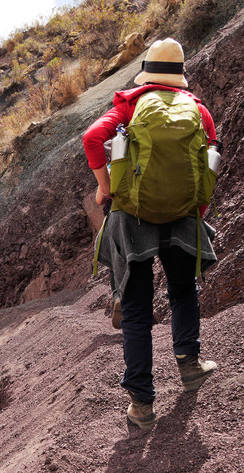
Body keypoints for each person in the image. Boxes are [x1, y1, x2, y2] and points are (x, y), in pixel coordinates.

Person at [83, 38, 218, 430]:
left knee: (138, 309)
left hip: (134, 218)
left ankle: (142, 405)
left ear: (148, 70)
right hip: (182, 217)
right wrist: (194, 213)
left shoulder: (129, 104)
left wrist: (106, 187)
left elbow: (92, 138)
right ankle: (190, 366)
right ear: (180, 76)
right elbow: (206, 168)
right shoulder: (198, 111)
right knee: (182, 292)